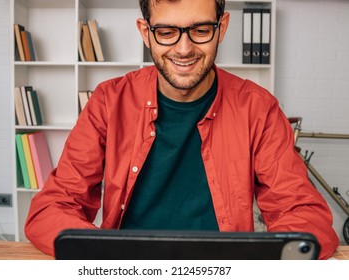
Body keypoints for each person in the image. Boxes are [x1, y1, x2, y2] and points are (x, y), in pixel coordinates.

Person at [25, 0, 339, 259]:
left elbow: (306, 217)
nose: (184, 48)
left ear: (222, 28)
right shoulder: (108, 101)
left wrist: (256, 266)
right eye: (166, 32)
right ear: (145, 33)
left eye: (201, 30)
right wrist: (111, 259)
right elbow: (51, 209)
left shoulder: (258, 108)